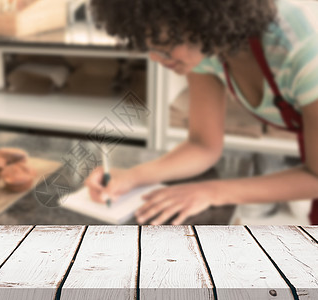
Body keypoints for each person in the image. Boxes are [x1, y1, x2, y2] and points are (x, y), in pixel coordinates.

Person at [84, 0, 318, 225]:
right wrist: (132, 177)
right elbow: (202, 145)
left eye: (165, 43)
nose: (155, 57)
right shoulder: (208, 47)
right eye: (149, 45)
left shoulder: (305, 48)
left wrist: (212, 192)